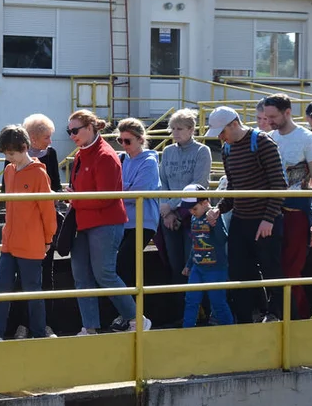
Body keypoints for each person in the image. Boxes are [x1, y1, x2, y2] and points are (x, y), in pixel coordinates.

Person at [67, 110, 150, 334]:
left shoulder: (105, 155)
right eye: (69, 131)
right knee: (82, 276)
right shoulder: (81, 154)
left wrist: (74, 199)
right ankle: (90, 327)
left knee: (104, 273)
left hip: (105, 223)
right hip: (85, 223)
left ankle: (136, 318)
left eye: (75, 130)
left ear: (90, 128)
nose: (72, 135)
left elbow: (107, 197)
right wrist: (75, 196)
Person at [205, 106, 287, 324]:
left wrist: (268, 219)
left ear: (234, 124)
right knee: (240, 272)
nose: (221, 137)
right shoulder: (227, 150)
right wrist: (219, 209)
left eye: (222, 132)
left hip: (265, 220)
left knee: (271, 269)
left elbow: (279, 185)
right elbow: (233, 187)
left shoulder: (262, 142)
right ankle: (243, 320)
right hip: (242, 220)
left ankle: (278, 316)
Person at [261, 94, 312, 320]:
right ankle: (279, 314)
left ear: (287, 112)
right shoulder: (267, 137)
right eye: (266, 116)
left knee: (291, 270)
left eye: (273, 116)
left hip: (297, 212)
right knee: (273, 268)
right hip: (271, 212)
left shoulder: (307, 138)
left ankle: (297, 317)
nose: (269, 121)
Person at [0, 125, 57, 340]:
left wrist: (48, 238)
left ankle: (38, 333)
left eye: (12, 153)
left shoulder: (38, 173)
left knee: (33, 291)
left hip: (30, 242)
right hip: (10, 241)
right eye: (7, 154)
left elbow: (47, 209)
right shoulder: (10, 171)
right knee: (1, 288)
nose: (10, 158)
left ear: (25, 147)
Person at [10, 113, 63, 339]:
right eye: (46, 137)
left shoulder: (50, 155)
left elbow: (56, 188)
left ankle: (44, 324)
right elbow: (8, 192)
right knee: (22, 276)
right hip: (22, 226)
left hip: (44, 224)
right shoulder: (13, 157)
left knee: (46, 274)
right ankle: (22, 324)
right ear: (31, 138)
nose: (49, 142)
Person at [158, 109, 213, 284]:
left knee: (193, 263)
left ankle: (198, 308)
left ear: (191, 130)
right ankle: (179, 307)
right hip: (169, 215)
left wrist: (171, 206)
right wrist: (166, 210)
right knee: (174, 264)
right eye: (173, 129)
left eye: (179, 129)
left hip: (192, 214)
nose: (175, 133)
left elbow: (199, 183)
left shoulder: (202, 151)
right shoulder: (167, 151)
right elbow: (162, 182)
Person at [179, 185, 234, 328]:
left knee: (218, 302)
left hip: (216, 268)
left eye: (194, 208)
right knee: (191, 300)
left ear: (205, 203)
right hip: (198, 267)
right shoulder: (194, 218)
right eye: (189, 209)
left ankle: (231, 331)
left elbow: (222, 239)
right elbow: (195, 243)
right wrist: (189, 264)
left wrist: (213, 224)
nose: (191, 212)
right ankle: (187, 330)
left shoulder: (215, 216)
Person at [115, 118, 161, 288]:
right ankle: (131, 311)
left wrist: (119, 191)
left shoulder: (149, 162)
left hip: (143, 221)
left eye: (128, 140)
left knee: (124, 264)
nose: (123, 144)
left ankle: (133, 311)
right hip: (124, 220)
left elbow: (137, 192)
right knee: (122, 266)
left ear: (141, 139)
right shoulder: (121, 159)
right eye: (120, 140)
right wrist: (124, 189)